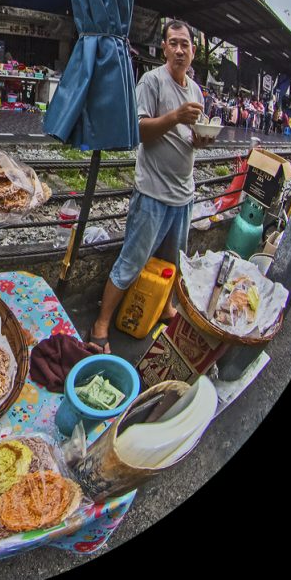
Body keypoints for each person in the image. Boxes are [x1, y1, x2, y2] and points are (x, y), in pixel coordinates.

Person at [87, 20, 215, 353]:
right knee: (131, 262)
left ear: (193, 51)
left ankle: (166, 308)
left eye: (184, 44)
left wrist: (200, 139)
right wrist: (175, 116)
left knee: (174, 260)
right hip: (152, 195)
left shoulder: (196, 90)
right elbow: (139, 130)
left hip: (183, 196)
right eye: (173, 43)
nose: (179, 50)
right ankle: (101, 323)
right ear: (164, 48)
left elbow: (189, 140)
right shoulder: (152, 81)